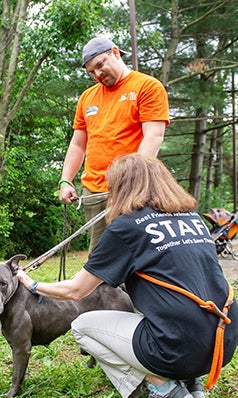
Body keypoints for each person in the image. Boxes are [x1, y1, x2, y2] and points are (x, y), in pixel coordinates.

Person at [17, 154, 238, 398]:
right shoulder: (193, 219)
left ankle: (163, 389)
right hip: (224, 340)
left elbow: (76, 291)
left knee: (82, 326)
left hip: (179, 346)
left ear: (121, 187)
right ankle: (190, 379)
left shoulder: (127, 227)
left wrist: (31, 283)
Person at [58, 37, 170, 254]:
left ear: (116, 53)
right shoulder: (87, 98)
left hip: (134, 190)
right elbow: (78, 144)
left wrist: (133, 182)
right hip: (94, 191)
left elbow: (153, 136)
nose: (98, 74)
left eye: (100, 65)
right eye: (92, 72)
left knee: (137, 254)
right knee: (101, 257)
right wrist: (65, 180)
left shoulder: (147, 87)